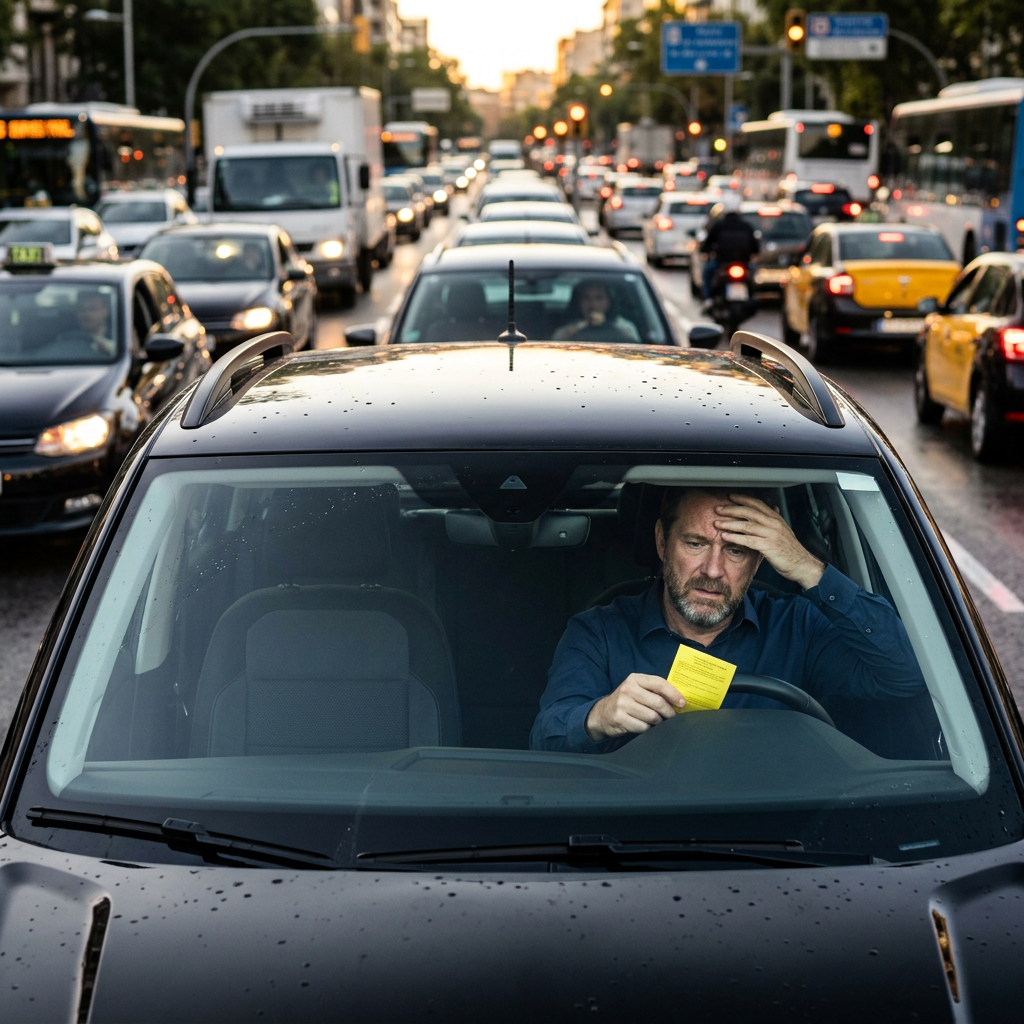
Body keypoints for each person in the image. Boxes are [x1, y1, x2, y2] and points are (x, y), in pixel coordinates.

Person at [530, 487, 926, 753]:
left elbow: (908, 673)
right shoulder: (599, 631)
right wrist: (599, 716)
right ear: (662, 542)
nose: (713, 570)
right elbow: (544, 738)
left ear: (759, 561)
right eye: (696, 543)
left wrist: (808, 568)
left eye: (736, 551)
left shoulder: (798, 627)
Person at [699, 192, 759, 301]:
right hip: (743, 263)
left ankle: (708, 299)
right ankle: (753, 296)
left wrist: (705, 250)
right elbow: (755, 247)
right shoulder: (746, 226)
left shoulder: (719, 225)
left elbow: (708, 243)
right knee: (754, 273)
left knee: (707, 272)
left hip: (722, 262)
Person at [553, 281, 640, 343]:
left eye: (599, 298)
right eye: (586, 298)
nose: (593, 304)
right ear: (578, 302)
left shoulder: (625, 328)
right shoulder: (566, 330)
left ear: (609, 301)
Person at [60, 291, 115, 357]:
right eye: (82, 309)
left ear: (106, 312)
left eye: (93, 309)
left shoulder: (119, 338)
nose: (87, 314)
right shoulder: (67, 339)